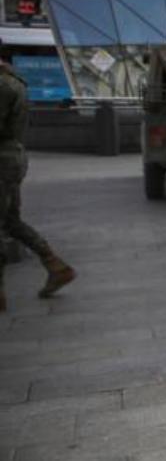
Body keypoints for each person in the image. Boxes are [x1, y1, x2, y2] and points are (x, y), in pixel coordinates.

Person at [0, 54, 75, 312]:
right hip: (13, 158)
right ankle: (54, 264)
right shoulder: (15, 81)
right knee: (11, 221)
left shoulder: (3, 85)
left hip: (3, 160)